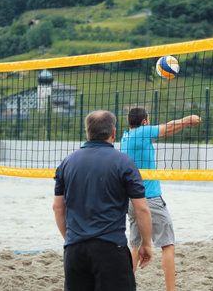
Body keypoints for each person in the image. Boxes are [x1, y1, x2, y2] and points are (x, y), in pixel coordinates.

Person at [53, 110, 153, 291]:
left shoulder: (67, 163)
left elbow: (57, 208)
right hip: (111, 247)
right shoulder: (124, 162)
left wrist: (71, 239)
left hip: (75, 251)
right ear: (113, 133)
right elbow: (142, 209)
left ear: (87, 132)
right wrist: (145, 244)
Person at [121, 107, 201, 291]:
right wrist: (188, 119)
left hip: (131, 201)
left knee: (135, 246)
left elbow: (166, 131)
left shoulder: (127, 137)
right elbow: (168, 127)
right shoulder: (142, 132)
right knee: (168, 245)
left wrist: (184, 124)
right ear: (144, 122)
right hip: (149, 201)